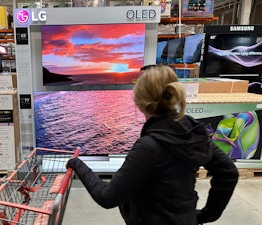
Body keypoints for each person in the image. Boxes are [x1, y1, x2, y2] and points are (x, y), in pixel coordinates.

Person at [66, 64, 239, 225]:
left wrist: (77, 164)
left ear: (139, 100)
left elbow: (107, 196)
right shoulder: (191, 129)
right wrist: (206, 215)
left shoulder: (148, 147)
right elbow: (228, 172)